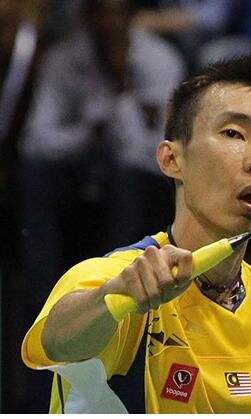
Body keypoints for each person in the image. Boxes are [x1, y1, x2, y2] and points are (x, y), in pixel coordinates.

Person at [21, 55, 251, 414]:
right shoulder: (124, 277)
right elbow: (57, 342)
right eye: (234, 133)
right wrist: (114, 298)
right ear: (171, 160)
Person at [18, 0, 185, 311]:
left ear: (132, 14)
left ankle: (115, 296)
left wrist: (122, 99)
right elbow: (35, 141)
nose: (109, 22)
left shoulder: (159, 61)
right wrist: (88, 131)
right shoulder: (64, 59)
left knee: (126, 181)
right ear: (87, 16)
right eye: (101, 12)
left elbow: (163, 152)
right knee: (34, 177)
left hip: (136, 176)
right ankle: (42, 305)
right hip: (76, 166)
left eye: (117, 12)